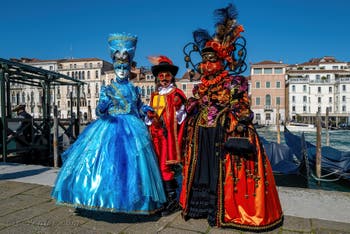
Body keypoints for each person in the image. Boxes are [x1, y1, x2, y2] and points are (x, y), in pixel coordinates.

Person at [179, 4, 283, 231]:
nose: (206, 66)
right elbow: (191, 105)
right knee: (202, 170)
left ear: (223, 61)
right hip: (202, 136)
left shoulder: (235, 82)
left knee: (222, 172)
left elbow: (243, 107)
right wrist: (193, 104)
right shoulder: (201, 86)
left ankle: (227, 211)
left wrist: (236, 114)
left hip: (224, 134)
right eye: (204, 62)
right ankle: (203, 207)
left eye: (212, 61)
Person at [51, 32, 166, 214]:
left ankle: (133, 202)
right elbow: (98, 111)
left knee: (132, 166)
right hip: (109, 126)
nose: (122, 70)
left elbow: (137, 106)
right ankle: (103, 198)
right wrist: (103, 106)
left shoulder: (134, 89)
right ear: (115, 67)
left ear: (129, 69)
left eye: (125, 67)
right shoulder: (107, 89)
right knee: (104, 163)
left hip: (132, 128)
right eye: (119, 67)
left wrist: (147, 110)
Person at [145, 56, 187, 216]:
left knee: (165, 167)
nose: (163, 79)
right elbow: (149, 117)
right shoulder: (155, 95)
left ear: (172, 77)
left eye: (167, 75)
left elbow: (181, 117)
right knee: (156, 166)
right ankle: (163, 199)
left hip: (168, 137)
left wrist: (177, 109)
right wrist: (149, 116)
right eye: (161, 76)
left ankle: (172, 201)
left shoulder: (177, 93)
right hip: (155, 136)